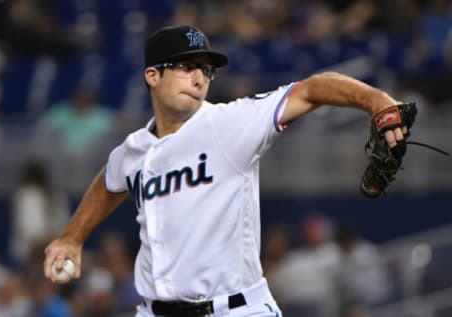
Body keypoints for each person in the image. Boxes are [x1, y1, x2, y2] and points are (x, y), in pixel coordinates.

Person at [43, 24, 408, 317]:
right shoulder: (133, 149)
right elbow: (109, 183)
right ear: (152, 75)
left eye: (205, 69)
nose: (200, 78)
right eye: (186, 67)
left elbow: (310, 90)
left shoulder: (230, 124)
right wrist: (72, 236)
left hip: (235, 308)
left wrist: (377, 101)